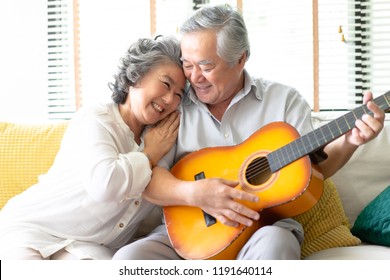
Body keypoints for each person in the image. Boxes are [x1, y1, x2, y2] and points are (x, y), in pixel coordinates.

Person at [112, 5, 385, 260]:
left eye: (206, 66)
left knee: (276, 245)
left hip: (264, 231)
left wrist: (350, 140)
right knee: (128, 259)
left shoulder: (283, 101)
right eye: (187, 64)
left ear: (240, 58)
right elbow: (149, 177)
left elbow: (314, 170)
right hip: (189, 233)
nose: (194, 77)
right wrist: (196, 194)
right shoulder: (173, 104)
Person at [0, 36, 186, 260]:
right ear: (135, 76)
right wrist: (149, 154)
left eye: (178, 94)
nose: (169, 99)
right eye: (165, 84)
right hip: (32, 228)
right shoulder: (96, 119)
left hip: (86, 246)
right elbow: (105, 184)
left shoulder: (165, 139)